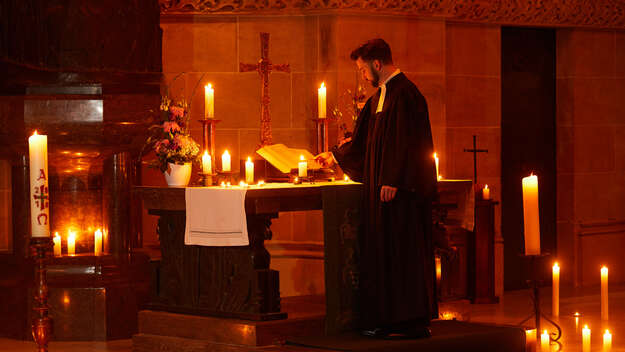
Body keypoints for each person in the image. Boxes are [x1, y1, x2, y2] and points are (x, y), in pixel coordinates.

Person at [315, 38, 437, 339]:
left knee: (401, 254)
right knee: (383, 254)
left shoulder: (407, 95)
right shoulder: (378, 99)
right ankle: (386, 319)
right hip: (381, 194)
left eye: (362, 70)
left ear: (377, 64)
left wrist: (393, 179)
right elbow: (362, 143)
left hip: (400, 196)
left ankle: (410, 322)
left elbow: (411, 143)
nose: (362, 76)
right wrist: (334, 155)